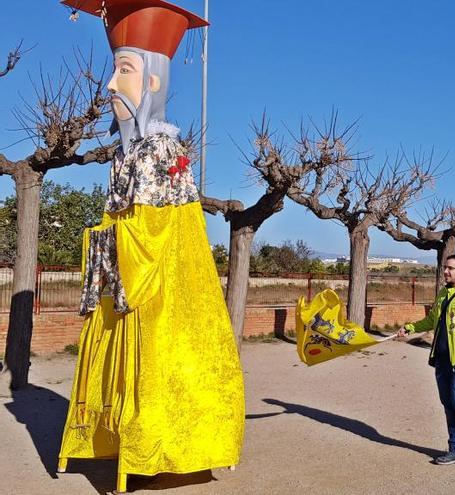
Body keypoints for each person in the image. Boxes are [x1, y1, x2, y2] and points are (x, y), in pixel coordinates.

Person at [57, 3, 244, 492]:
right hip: (124, 278)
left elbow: (156, 230)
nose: (112, 86)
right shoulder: (125, 153)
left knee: (159, 364)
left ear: (154, 83)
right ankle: (122, 445)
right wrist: (107, 241)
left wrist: (117, 243)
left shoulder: (160, 149)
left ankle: (159, 451)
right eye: (113, 70)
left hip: (153, 284)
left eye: (125, 70)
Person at [398, 255, 455, 466]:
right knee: (448, 403)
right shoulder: (443, 293)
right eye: (444, 268)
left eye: (450, 268)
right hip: (442, 359)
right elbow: (432, 320)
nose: (445, 271)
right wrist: (411, 328)